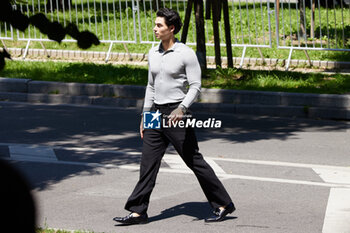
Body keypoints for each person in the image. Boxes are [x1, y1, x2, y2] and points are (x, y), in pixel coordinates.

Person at [113, 7, 235, 225]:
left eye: (159, 25)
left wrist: (182, 108)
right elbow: (150, 86)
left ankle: (223, 204)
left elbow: (196, 86)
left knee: (194, 161)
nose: (155, 28)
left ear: (172, 28)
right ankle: (138, 211)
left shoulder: (185, 54)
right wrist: (145, 114)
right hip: (155, 114)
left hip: (176, 113)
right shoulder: (153, 52)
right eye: (155, 24)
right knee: (147, 163)